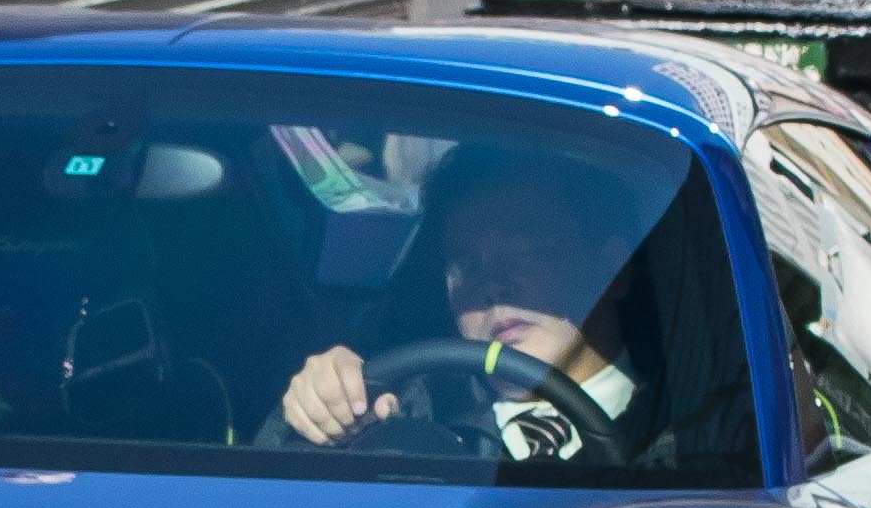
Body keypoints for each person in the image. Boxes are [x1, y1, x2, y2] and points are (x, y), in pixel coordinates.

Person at [276, 149, 647, 461]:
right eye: (466, 266)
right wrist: (322, 406)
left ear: (614, 269)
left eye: (524, 252)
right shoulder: (410, 410)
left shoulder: (687, 434)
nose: (493, 286)